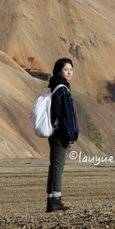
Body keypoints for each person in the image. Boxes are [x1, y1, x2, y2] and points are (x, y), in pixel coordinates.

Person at [46, 57, 80, 213]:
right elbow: (65, 115)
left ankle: (51, 201)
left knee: (53, 166)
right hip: (60, 134)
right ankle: (56, 201)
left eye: (71, 69)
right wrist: (69, 137)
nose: (69, 72)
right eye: (66, 69)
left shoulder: (53, 87)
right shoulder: (62, 89)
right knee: (58, 166)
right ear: (59, 71)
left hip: (53, 133)